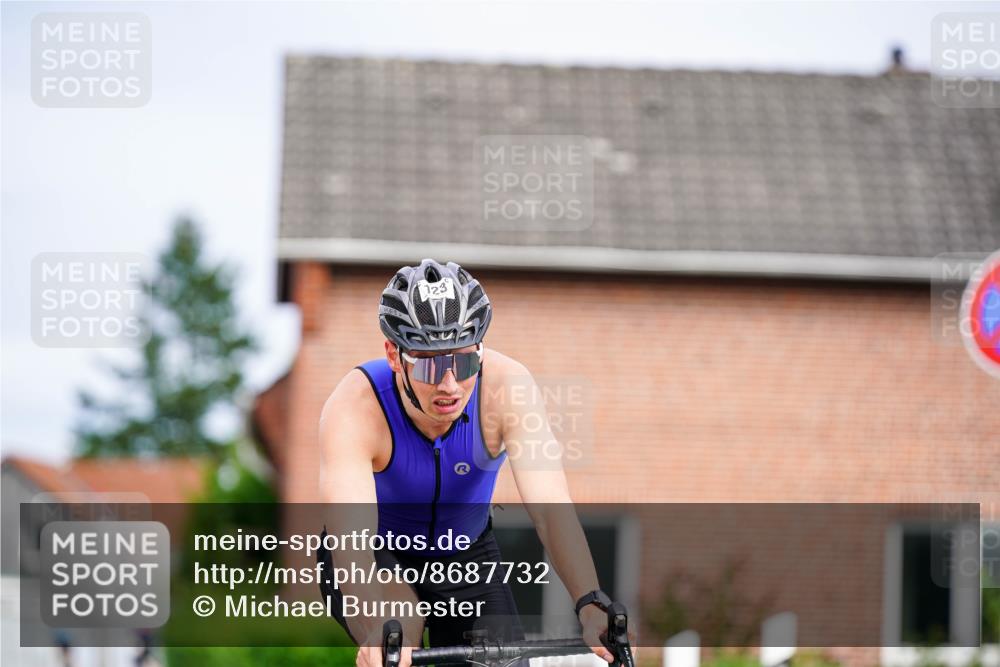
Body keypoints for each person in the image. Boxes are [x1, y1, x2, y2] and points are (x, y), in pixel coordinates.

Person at [317, 259, 616, 667]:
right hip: (381, 553)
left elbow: (550, 508)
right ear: (393, 353)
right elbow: (351, 546)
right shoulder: (354, 407)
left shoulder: (509, 387)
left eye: (464, 363)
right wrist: (374, 626)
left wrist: (589, 600)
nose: (449, 385)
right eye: (430, 365)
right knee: (399, 630)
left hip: (467, 554)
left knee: (501, 662)